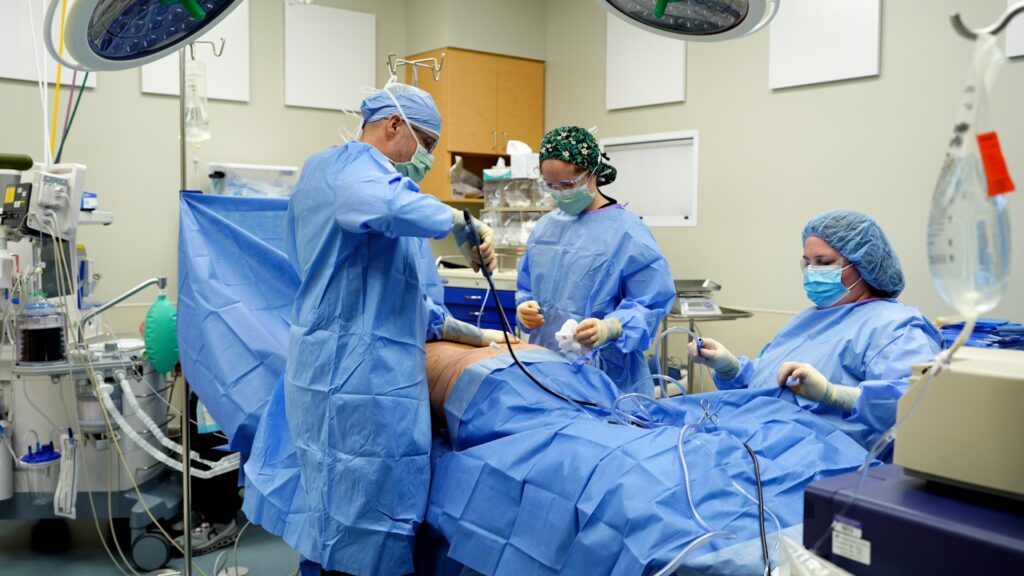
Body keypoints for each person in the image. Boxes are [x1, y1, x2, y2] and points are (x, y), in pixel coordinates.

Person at [284, 81, 512, 576]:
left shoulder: (387, 198)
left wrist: (486, 337)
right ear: (394, 125)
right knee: (350, 516)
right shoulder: (345, 172)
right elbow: (375, 201)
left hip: (371, 376)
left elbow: (415, 307)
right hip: (350, 382)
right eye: (428, 144)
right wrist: (458, 219)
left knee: (349, 518)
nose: (428, 158)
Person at [689, 209, 942, 451]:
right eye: (807, 263)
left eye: (824, 262)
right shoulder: (809, 319)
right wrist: (730, 368)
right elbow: (769, 380)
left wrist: (833, 395)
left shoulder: (895, 326)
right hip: (753, 438)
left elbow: (912, 404)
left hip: (812, 460)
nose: (812, 272)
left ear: (864, 265)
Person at [515, 126, 675, 396]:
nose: (559, 193)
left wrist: (611, 327)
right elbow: (528, 287)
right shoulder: (544, 229)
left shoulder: (627, 232)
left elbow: (651, 302)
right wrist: (524, 309)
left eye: (567, 184)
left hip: (610, 379)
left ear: (591, 174)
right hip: (547, 370)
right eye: (550, 185)